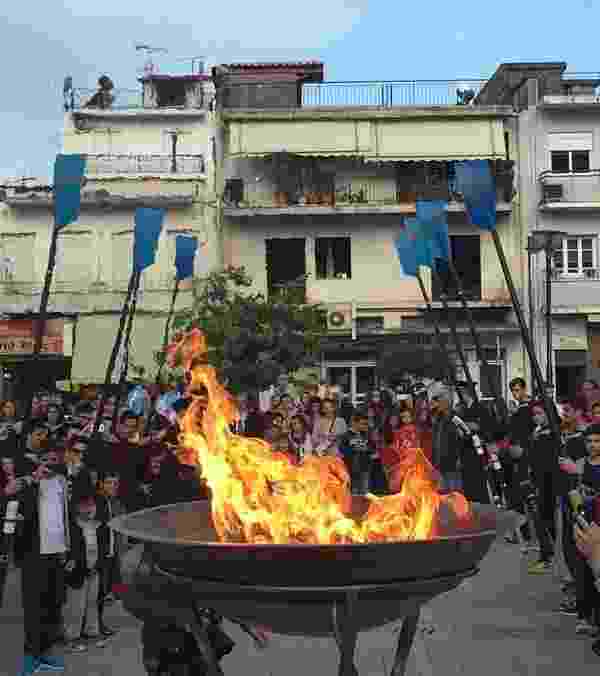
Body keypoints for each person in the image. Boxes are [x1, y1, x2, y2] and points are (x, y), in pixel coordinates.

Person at [13, 448, 70, 675]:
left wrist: (68, 547)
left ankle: (44, 653)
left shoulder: (62, 482)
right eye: (45, 460)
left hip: (57, 553)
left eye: (54, 460)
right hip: (33, 555)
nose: (50, 465)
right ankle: (29, 658)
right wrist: (32, 481)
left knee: (53, 605)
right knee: (33, 608)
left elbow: (65, 516)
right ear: (38, 461)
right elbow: (18, 510)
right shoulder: (28, 484)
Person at [63, 492, 108, 652]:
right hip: (78, 572)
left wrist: (97, 566)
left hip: (94, 571)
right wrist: (76, 565)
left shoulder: (99, 525)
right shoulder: (72, 527)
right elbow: (72, 552)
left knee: (92, 604)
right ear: (76, 508)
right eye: (85, 506)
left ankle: (92, 632)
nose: (89, 509)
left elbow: (103, 549)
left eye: (91, 505)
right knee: (76, 606)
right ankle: (72, 637)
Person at [526, 401, 558, 574]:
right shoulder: (537, 431)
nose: (536, 416)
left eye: (540, 413)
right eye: (534, 413)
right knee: (540, 519)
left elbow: (547, 460)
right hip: (537, 479)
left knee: (545, 518)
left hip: (547, 481)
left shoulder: (552, 432)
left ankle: (548, 556)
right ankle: (547, 553)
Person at [429, 386, 464, 492]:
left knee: (454, 494)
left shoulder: (455, 418)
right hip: (439, 464)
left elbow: (464, 436)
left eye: (439, 400)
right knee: (442, 496)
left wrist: (459, 458)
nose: (437, 404)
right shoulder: (437, 419)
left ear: (447, 402)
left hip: (452, 464)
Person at [338, 411, 375, 495]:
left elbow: (372, 448)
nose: (365, 426)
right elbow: (342, 449)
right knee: (353, 492)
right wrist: (354, 449)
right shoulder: (346, 435)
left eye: (366, 424)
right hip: (351, 468)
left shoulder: (367, 434)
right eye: (363, 424)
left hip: (365, 467)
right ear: (354, 423)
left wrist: (367, 448)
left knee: (365, 492)